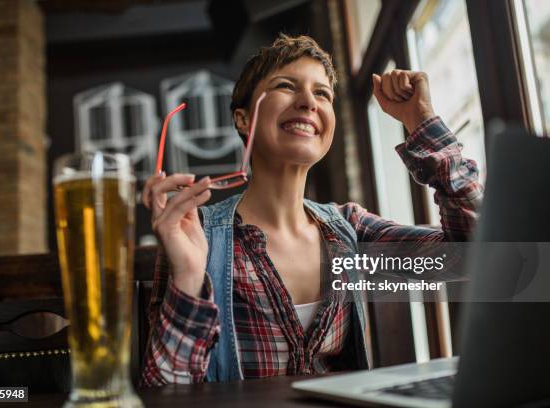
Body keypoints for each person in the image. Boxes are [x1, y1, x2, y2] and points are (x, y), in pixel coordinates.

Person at [141, 34, 483, 385]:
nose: (308, 102)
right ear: (243, 120)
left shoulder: (352, 233)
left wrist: (421, 121)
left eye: (322, 93)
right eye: (286, 86)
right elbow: (165, 390)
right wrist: (187, 278)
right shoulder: (196, 235)